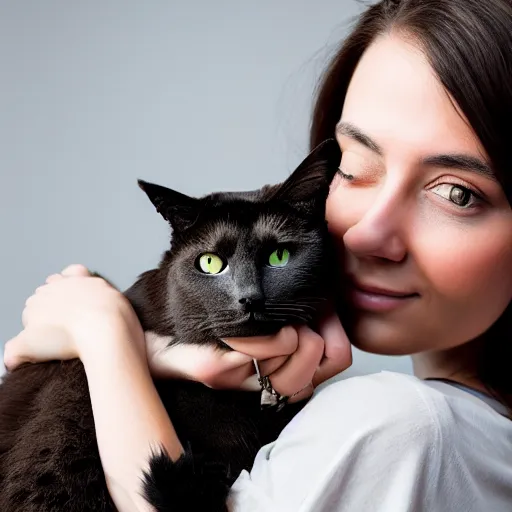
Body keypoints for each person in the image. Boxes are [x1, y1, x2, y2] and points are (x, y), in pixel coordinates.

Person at [4, 0, 512, 510]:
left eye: (456, 193)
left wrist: (106, 335)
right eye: (353, 167)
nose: (366, 233)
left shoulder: (404, 425)